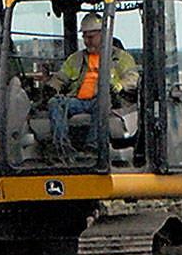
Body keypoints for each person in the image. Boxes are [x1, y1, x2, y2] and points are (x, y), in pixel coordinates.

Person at [46, 12, 139, 152]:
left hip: (105, 101)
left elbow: (132, 78)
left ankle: (93, 146)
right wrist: (52, 86)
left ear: (103, 35)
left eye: (90, 37)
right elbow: (61, 77)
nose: (86, 41)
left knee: (102, 102)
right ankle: (61, 147)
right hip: (78, 101)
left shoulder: (122, 58)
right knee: (55, 103)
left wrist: (120, 85)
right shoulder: (75, 59)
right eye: (84, 37)